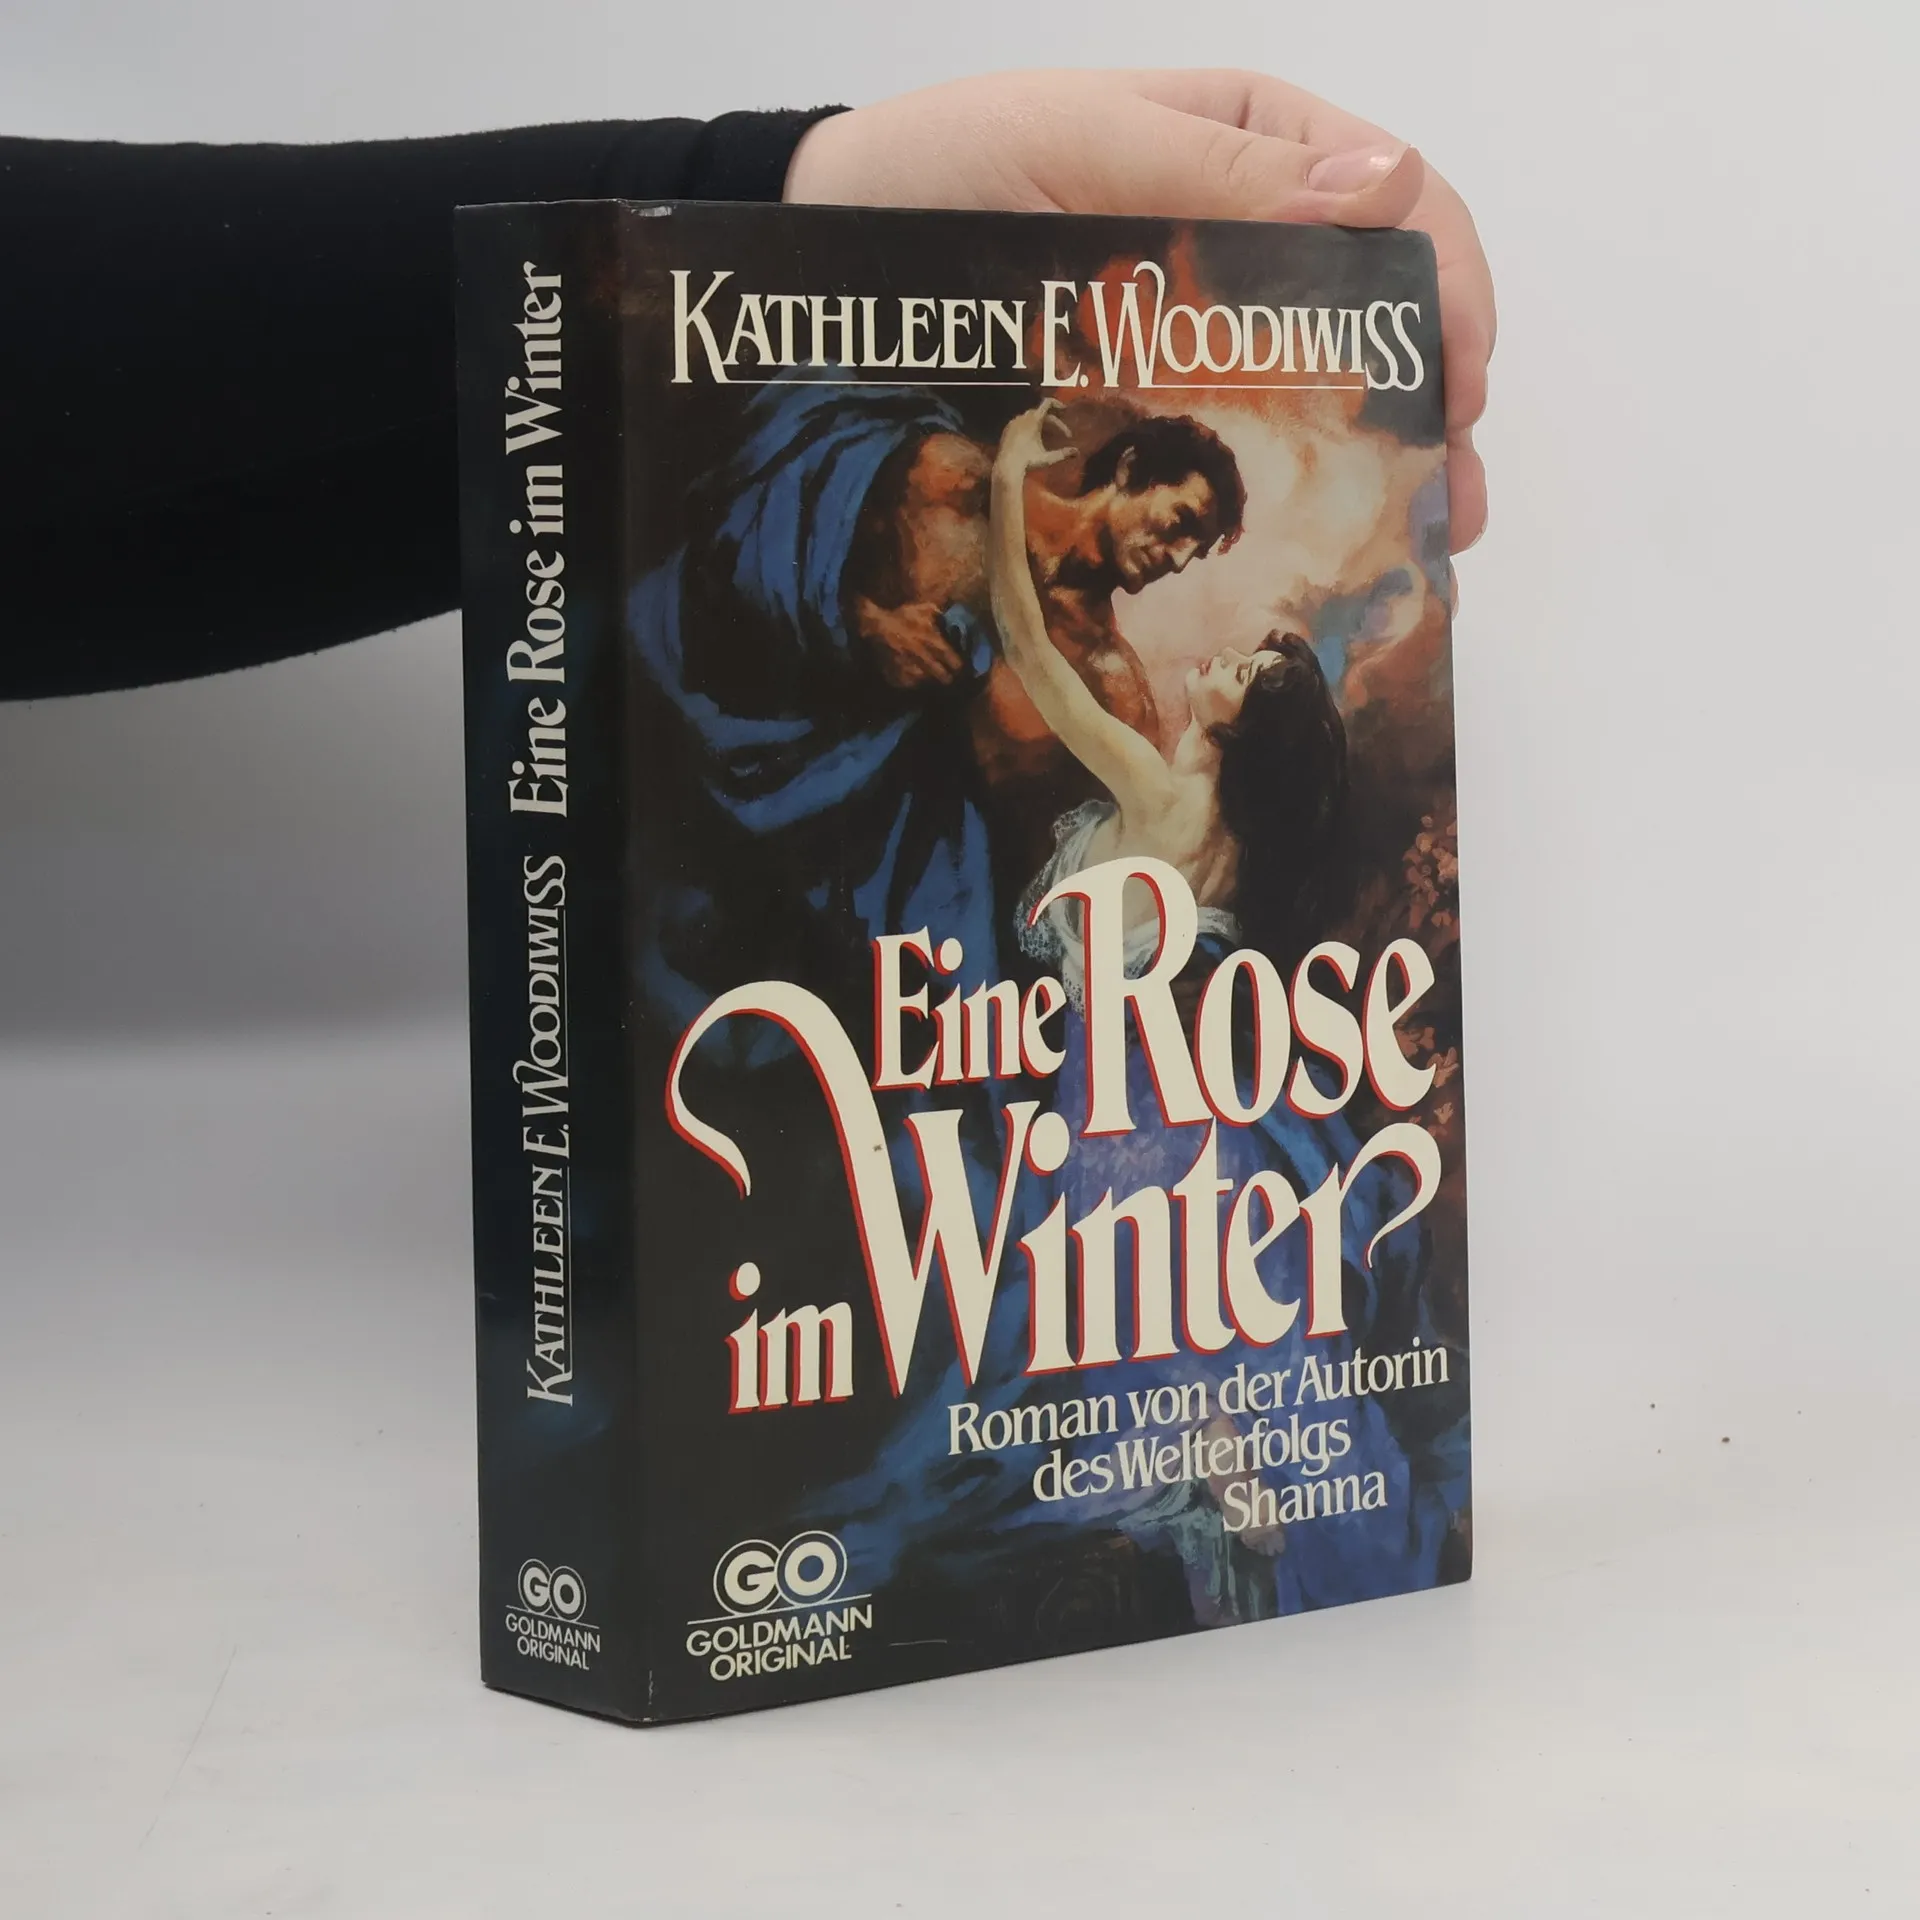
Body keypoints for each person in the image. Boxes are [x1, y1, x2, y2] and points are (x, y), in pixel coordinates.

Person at [0, 68, 1493, 702]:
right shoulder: (934, 457)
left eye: (1197, 550)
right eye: (1179, 519)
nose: (1177, 554)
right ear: (1119, 469)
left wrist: (781, 206)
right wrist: (756, 210)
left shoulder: (1105, 651)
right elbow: (726, 536)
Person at [986, 399, 1348, 989]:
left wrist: (1006, 475)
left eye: (1242, 675)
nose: (1227, 655)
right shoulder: (1240, 849)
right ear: (1130, 470)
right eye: (1181, 524)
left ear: (1247, 728)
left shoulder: (1156, 791)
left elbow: (1026, 647)